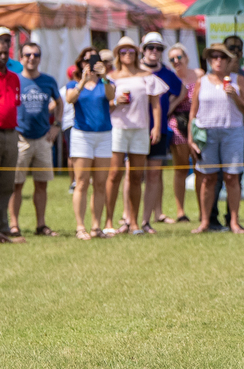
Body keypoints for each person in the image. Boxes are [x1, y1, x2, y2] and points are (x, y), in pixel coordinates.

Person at [187, 43, 244, 234]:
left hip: (232, 131)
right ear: (208, 60)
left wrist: (235, 96)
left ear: (229, 60)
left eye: (222, 57)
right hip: (207, 132)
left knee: (232, 177)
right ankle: (205, 221)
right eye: (213, 57)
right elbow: (193, 112)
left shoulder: (237, 80)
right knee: (208, 178)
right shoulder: (202, 81)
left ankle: (233, 221)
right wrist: (191, 139)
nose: (217, 60)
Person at [104, 36, 166, 235]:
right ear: (118, 55)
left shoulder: (146, 75)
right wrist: (116, 102)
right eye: (123, 51)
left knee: (136, 176)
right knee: (114, 175)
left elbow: (155, 104)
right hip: (118, 127)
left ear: (136, 53)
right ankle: (108, 221)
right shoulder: (111, 77)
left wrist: (156, 126)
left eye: (131, 51)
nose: (127, 55)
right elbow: (104, 105)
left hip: (140, 128)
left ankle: (134, 222)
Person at [10, 42, 61, 238]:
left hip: (42, 138)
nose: (32, 58)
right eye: (28, 54)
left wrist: (56, 124)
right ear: (21, 58)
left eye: (36, 54)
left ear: (40, 58)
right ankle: (14, 225)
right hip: (19, 137)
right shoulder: (14, 79)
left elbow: (59, 101)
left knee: (41, 184)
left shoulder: (48, 81)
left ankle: (41, 225)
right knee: (16, 184)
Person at [66, 48, 116, 239]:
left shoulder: (106, 83)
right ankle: (80, 227)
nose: (91, 63)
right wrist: (82, 81)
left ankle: (96, 226)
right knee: (82, 182)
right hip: (82, 136)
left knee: (101, 183)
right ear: (80, 63)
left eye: (94, 60)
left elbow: (111, 97)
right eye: (87, 60)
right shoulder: (73, 83)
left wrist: (104, 77)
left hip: (103, 135)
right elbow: (70, 99)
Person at [139, 32, 186, 230]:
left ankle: (149, 218)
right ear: (143, 50)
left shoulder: (167, 73)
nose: (155, 52)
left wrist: (169, 108)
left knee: (154, 174)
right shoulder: (135, 71)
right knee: (132, 175)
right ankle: (128, 217)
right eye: (151, 48)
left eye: (159, 48)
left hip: (159, 130)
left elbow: (181, 90)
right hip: (136, 128)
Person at [167, 43, 203, 222]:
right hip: (178, 123)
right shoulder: (170, 79)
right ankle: (180, 211)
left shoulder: (199, 75)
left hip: (198, 123)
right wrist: (179, 96)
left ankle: (203, 210)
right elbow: (166, 108)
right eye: (172, 59)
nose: (176, 61)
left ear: (187, 58)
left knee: (200, 169)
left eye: (179, 57)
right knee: (181, 169)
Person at [0, 37, 22, 243]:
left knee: (7, 184)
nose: (2, 56)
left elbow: (14, 104)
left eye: (5, 53)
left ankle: (3, 227)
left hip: (11, 134)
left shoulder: (15, 78)